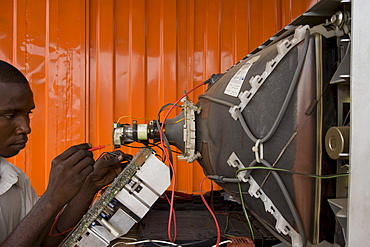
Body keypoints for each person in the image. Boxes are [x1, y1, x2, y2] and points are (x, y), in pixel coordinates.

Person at [0, 60, 127, 247]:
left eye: (28, 113)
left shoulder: (15, 179)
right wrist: (51, 198)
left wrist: (90, 184)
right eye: (10, 115)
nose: (26, 128)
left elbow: (44, 242)